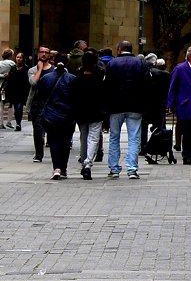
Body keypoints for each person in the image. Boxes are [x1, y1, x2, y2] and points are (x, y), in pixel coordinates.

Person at [104, 39, 151, 179]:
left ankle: (114, 168)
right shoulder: (140, 63)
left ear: (119, 49)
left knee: (114, 137)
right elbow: (147, 84)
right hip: (135, 105)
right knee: (134, 138)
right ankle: (132, 169)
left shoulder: (112, 63)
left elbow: (107, 86)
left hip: (116, 106)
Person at [36, 55, 77, 179]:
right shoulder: (72, 79)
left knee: (53, 141)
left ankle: (56, 167)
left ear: (53, 62)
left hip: (50, 115)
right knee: (65, 142)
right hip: (68, 115)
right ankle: (63, 168)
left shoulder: (46, 78)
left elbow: (40, 96)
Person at [72, 50, 106, 179]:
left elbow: (73, 97)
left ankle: (83, 162)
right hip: (96, 112)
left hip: (81, 112)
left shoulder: (77, 79)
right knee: (93, 139)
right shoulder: (99, 79)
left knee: (83, 137)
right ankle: (88, 163)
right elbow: (103, 98)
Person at [27, 46, 55, 162]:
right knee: (37, 129)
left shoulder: (54, 70)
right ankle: (39, 154)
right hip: (37, 103)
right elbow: (33, 82)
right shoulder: (32, 70)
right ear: (38, 54)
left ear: (49, 55)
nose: (43, 54)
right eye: (41, 52)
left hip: (51, 103)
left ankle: (55, 154)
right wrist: (39, 69)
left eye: (46, 52)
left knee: (53, 130)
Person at [140, 53, 170, 155]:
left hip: (145, 105)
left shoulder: (143, 74)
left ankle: (143, 147)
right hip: (160, 105)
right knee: (160, 126)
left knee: (143, 127)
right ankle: (161, 147)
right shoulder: (165, 74)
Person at [4, 51, 30, 131]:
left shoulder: (26, 68)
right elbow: (9, 80)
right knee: (16, 108)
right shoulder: (13, 68)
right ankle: (18, 123)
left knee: (19, 107)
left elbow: (27, 81)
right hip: (14, 92)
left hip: (22, 92)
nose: (18, 59)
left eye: (20, 57)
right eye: (17, 57)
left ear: (23, 59)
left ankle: (18, 123)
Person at [0, 48, 16, 129]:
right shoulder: (13, 64)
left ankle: (1, 122)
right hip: (10, 86)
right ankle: (9, 122)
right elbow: (15, 75)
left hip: (1, 86)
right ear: (11, 55)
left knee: (1, 104)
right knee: (11, 104)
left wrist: (2, 75)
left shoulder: (0, 63)